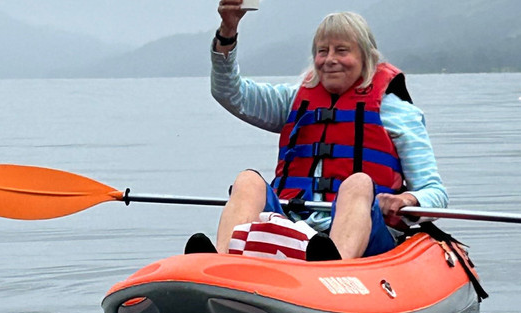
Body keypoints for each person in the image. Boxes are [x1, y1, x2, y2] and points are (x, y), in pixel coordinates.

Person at [186, 3, 448, 262]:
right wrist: (228, 30)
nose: (330, 59)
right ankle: (223, 261)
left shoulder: (397, 113)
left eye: (342, 50)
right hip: (293, 223)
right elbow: (230, 93)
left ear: (366, 57)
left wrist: (409, 198)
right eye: (322, 51)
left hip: (367, 234)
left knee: (358, 183)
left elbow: (434, 192)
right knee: (247, 180)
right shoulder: (294, 100)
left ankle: (336, 264)